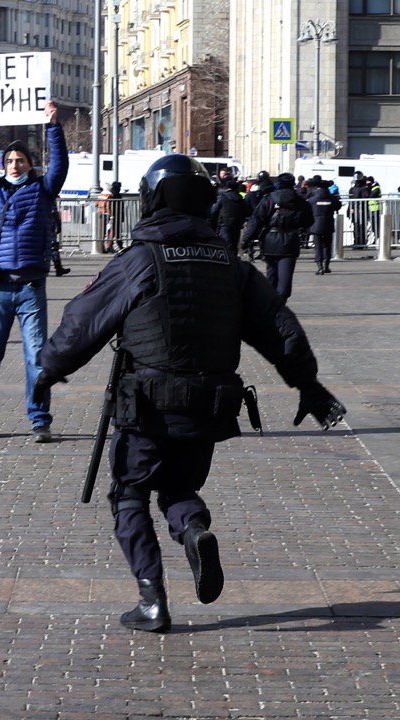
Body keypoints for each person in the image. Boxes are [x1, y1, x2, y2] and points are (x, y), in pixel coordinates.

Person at [35, 154, 347, 633]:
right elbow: (279, 328)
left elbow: (83, 322)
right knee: (179, 488)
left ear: (153, 198)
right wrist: (308, 384)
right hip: (210, 406)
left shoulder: (138, 260)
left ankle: (152, 600)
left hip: (147, 406)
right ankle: (194, 530)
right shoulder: (231, 265)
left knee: (130, 494)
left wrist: (49, 369)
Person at [0, 99, 69, 443]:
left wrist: (52, 126)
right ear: (2, 164)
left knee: (37, 356)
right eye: (9, 160)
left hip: (32, 287)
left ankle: (39, 419)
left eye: (20, 160)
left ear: (30, 164)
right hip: (0, 287)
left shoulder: (43, 190)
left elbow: (60, 166)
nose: (15, 165)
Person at [241, 172, 314, 301]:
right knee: (285, 276)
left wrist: (246, 240)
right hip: (291, 240)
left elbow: (256, 220)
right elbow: (309, 221)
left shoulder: (269, 199)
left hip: (270, 239)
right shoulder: (300, 201)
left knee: (271, 274)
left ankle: (270, 304)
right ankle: (281, 302)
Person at [308, 176, 341, 275]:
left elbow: (308, 209)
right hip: (328, 224)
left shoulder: (312, 199)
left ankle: (320, 267)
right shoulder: (332, 199)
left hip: (316, 225)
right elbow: (338, 206)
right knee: (327, 245)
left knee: (318, 246)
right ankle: (326, 266)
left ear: (318, 188)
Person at [209, 177, 249, 256]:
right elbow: (245, 212)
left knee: (225, 245)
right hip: (237, 225)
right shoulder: (240, 199)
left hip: (225, 224)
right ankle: (234, 263)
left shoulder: (223, 197)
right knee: (234, 245)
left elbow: (214, 210)